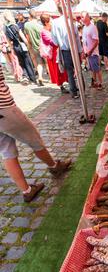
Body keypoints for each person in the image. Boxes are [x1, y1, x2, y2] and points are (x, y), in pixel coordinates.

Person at [0, 63, 71, 202]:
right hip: (4, 108)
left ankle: (27, 191)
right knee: (35, 141)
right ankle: (54, 166)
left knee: (7, 152)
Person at [51, 3, 82, 99]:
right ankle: (81, 89)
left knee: (70, 72)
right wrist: (80, 51)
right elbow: (77, 39)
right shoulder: (71, 22)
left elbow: (55, 40)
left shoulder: (56, 23)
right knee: (78, 70)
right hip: (73, 49)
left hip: (65, 50)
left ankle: (74, 92)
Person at [3, 10, 36, 85]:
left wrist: (12, 49)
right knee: (28, 61)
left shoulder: (6, 28)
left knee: (22, 62)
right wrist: (28, 45)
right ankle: (32, 78)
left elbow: (8, 41)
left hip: (15, 46)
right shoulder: (15, 26)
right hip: (21, 45)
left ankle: (25, 76)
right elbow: (22, 36)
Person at [40, 13, 69, 94]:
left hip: (58, 52)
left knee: (63, 68)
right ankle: (61, 86)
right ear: (46, 22)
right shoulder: (44, 32)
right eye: (50, 21)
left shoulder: (50, 29)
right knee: (58, 70)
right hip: (53, 54)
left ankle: (68, 81)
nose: (51, 22)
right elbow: (52, 43)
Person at [81, 11, 103, 89]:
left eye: (83, 17)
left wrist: (90, 51)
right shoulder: (84, 28)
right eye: (81, 17)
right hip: (88, 53)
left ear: (87, 17)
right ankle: (94, 82)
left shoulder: (93, 27)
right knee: (92, 69)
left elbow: (96, 41)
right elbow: (84, 41)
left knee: (96, 69)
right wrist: (84, 51)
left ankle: (100, 83)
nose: (82, 19)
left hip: (93, 53)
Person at [24, 9, 45, 86]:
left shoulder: (27, 25)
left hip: (33, 47)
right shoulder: (40, 26)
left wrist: (29, 47)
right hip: (42, 46)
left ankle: (40, 76)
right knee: (47, 62)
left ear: (29, 15)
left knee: (39, 63)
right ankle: (50, 75)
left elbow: (28, 37)